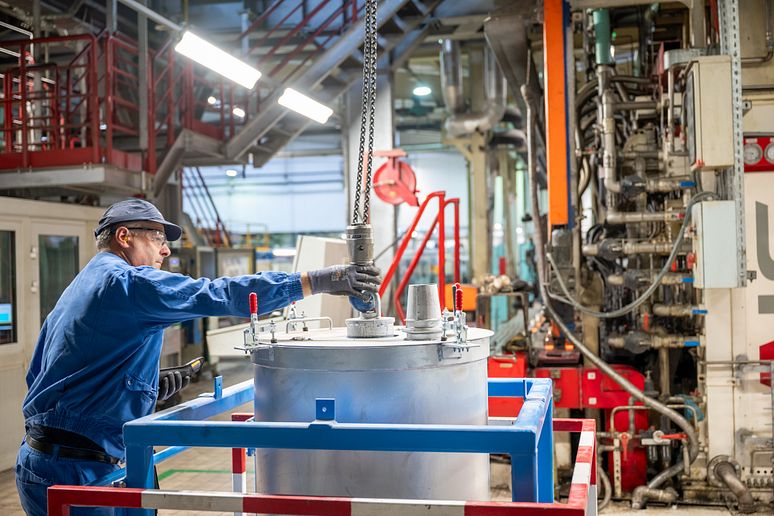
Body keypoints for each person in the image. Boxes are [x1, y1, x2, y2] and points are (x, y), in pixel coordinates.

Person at [15, 199, 380, 516]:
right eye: (157, 238)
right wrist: (317, 281)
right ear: (124, 237)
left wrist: (139, 387)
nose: (165, 251)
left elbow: (47, 375)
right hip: (79, 470)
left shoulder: (82, 285)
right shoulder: (127, 283)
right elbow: (217, 294)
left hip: (41, 462)